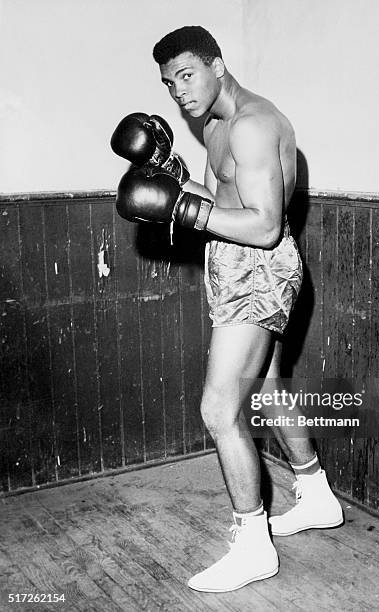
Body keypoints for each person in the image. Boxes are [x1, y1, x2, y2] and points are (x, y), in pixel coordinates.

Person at [114, 25, 343, 593]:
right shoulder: (217, 129)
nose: (180, 92)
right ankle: (316, 494)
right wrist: (177, 180)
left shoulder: (254, 124)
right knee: (263, 390)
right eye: (170, 84)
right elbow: (228, 202)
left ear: (218, 65)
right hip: (233, 265)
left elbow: (264, 226)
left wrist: (184, 210)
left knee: (220, 409)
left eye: (187, 75)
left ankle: (252, 543)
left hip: (257, 270)